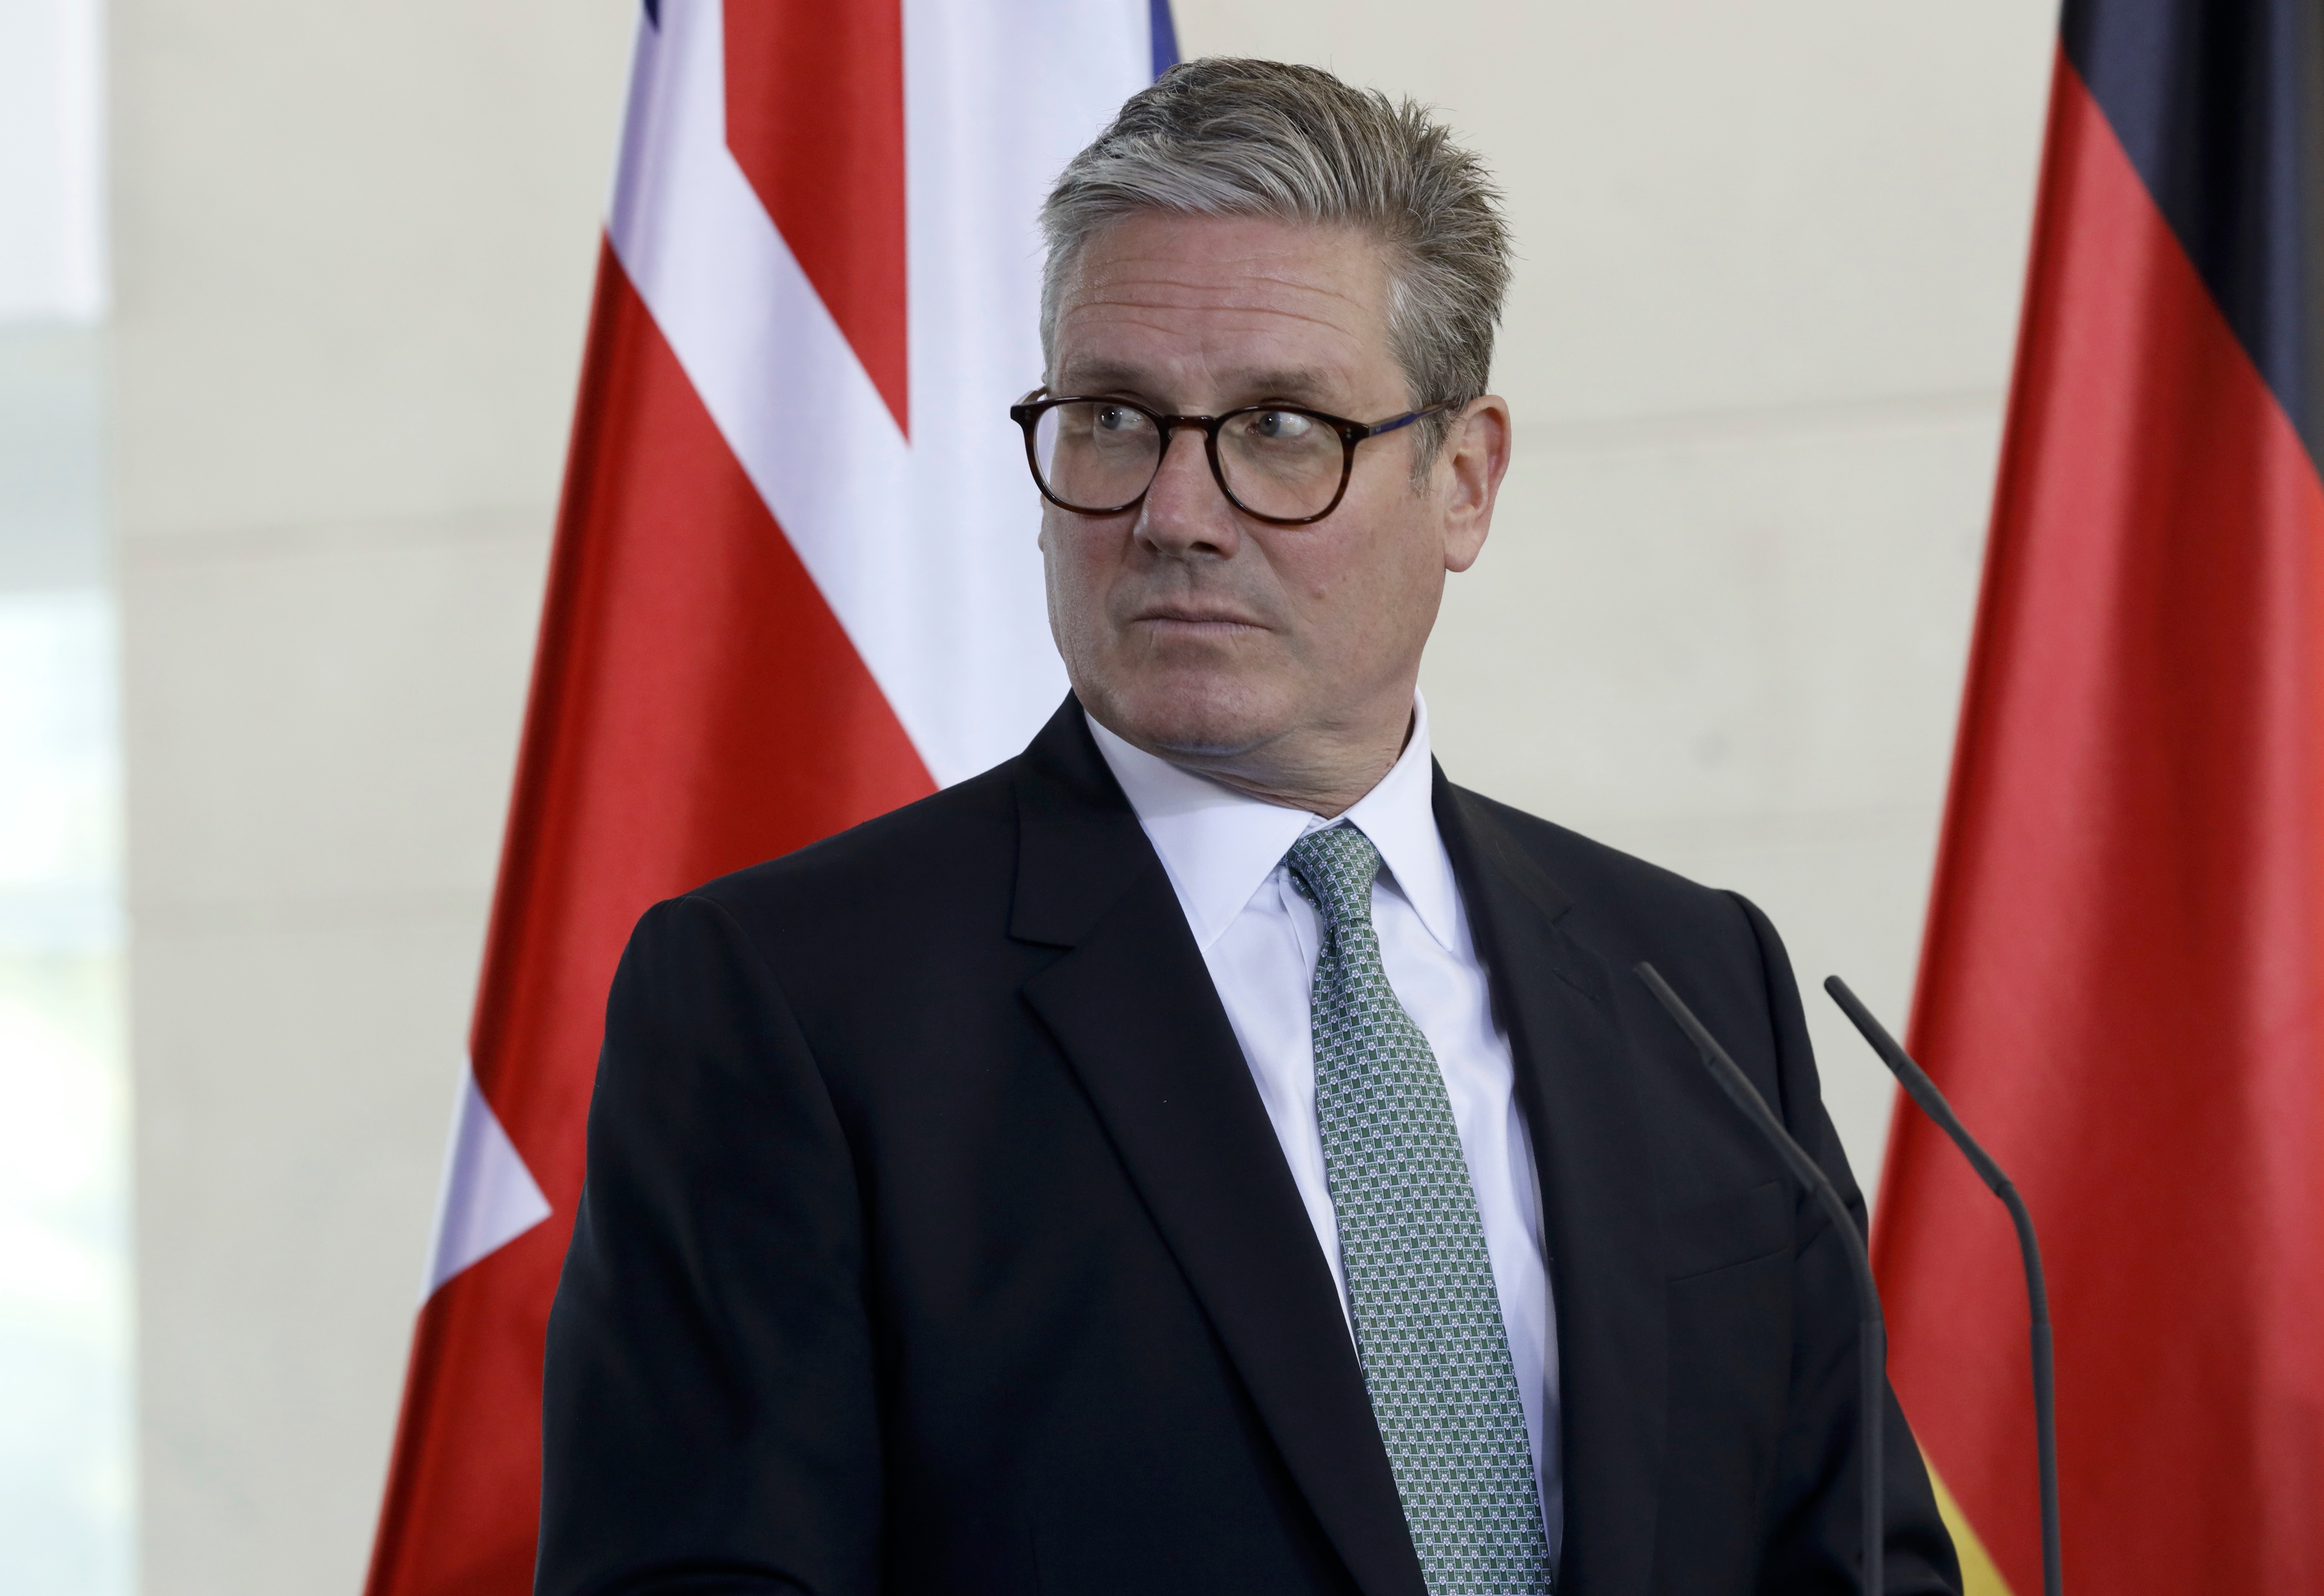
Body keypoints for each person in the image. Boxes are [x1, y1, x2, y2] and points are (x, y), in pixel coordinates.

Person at [536, 58, 1960, 1596]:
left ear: (1464, 480)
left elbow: (1860, 1563)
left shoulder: (1698, 981)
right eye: (1113, 418)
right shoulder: (793, 1005)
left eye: (1280, 426)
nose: (1175, 511)